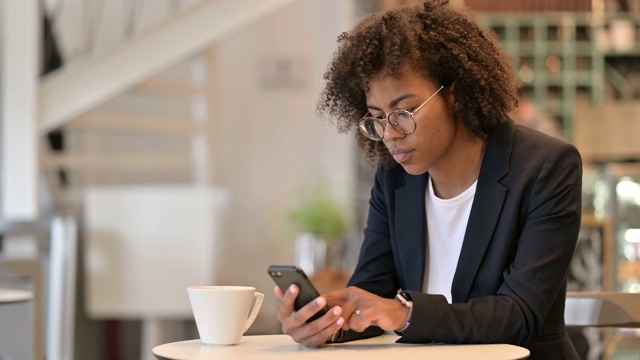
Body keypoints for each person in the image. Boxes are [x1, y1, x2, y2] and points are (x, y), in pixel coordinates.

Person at [274, 1, 582, 359]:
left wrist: (406, 313)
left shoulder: (545, 167)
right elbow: (372, 294)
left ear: (454, 93)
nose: (390, 134)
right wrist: (329, 323)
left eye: (404, 112)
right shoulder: (393, 181)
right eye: (377, 117)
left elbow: (518, 315)